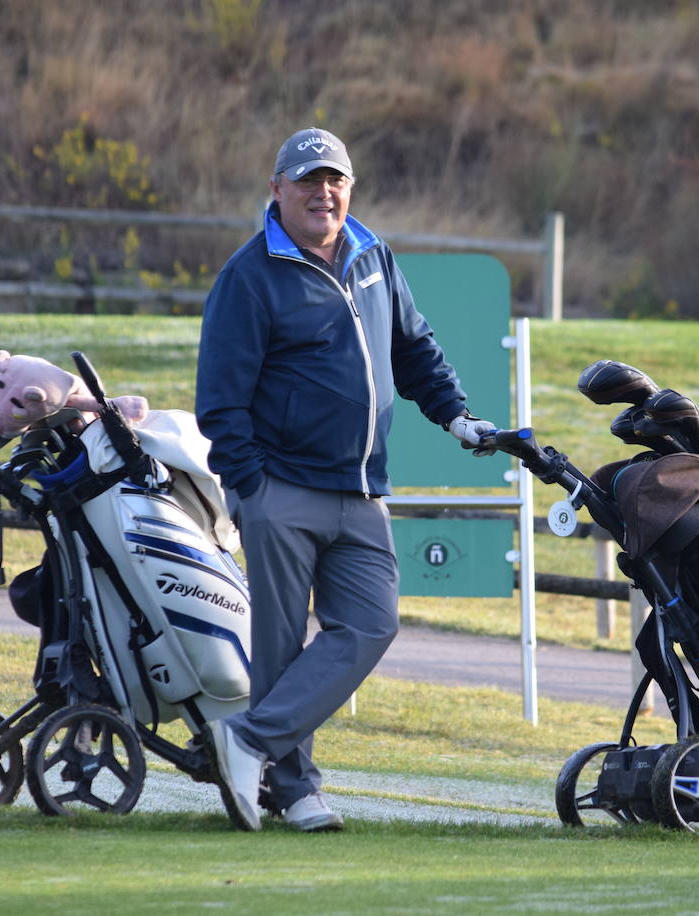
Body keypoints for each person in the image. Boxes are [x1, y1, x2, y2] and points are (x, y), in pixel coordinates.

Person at [194, 127, 494, 832]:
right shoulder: (249, 276)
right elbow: (220, 399)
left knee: (370, 622)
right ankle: (295, 793)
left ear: (348, 188)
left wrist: (457, 418)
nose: (322, 192)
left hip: (362, 489)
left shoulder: (372, 256)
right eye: (307, 180)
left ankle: (246, 741)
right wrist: (253, 488)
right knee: (277, 646)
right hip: (281, 486)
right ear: (277, 191)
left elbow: (414, 349)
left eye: (334, 180)